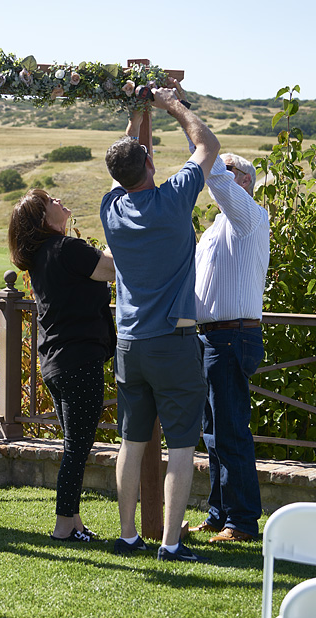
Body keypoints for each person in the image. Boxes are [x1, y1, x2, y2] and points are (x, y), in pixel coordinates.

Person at [99, 86, 220, 562]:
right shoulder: (172, 200)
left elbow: (125, 164)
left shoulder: (111, 208)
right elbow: (207, 145)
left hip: (129, 343)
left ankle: (128, 536)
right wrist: (173, 106)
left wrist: (135, 120)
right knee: (182, 445)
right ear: (150, 163)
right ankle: (170, 543)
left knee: (130, 443)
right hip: (173, 339)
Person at [164, 82, 270, 543]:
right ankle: (219, 512)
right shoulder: (217, 228)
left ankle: (242, 521)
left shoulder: (249, 218)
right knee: (212, 433)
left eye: (224, 170)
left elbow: (213, 171)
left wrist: (181, 114)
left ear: (242, 181)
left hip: (231, 337)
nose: (213, 175)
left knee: (229, 432)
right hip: (211, 337)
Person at [7, 189, 117, 542]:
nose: (58, 200)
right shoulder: (66, 248)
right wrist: (121, 228)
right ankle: (63, 526)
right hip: (79, 360)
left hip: (57, 362)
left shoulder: (43, 256)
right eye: (50, 200)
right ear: (43, 218)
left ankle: (75, 523)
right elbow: (112, 269)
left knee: (74, 445)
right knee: (77, 448)